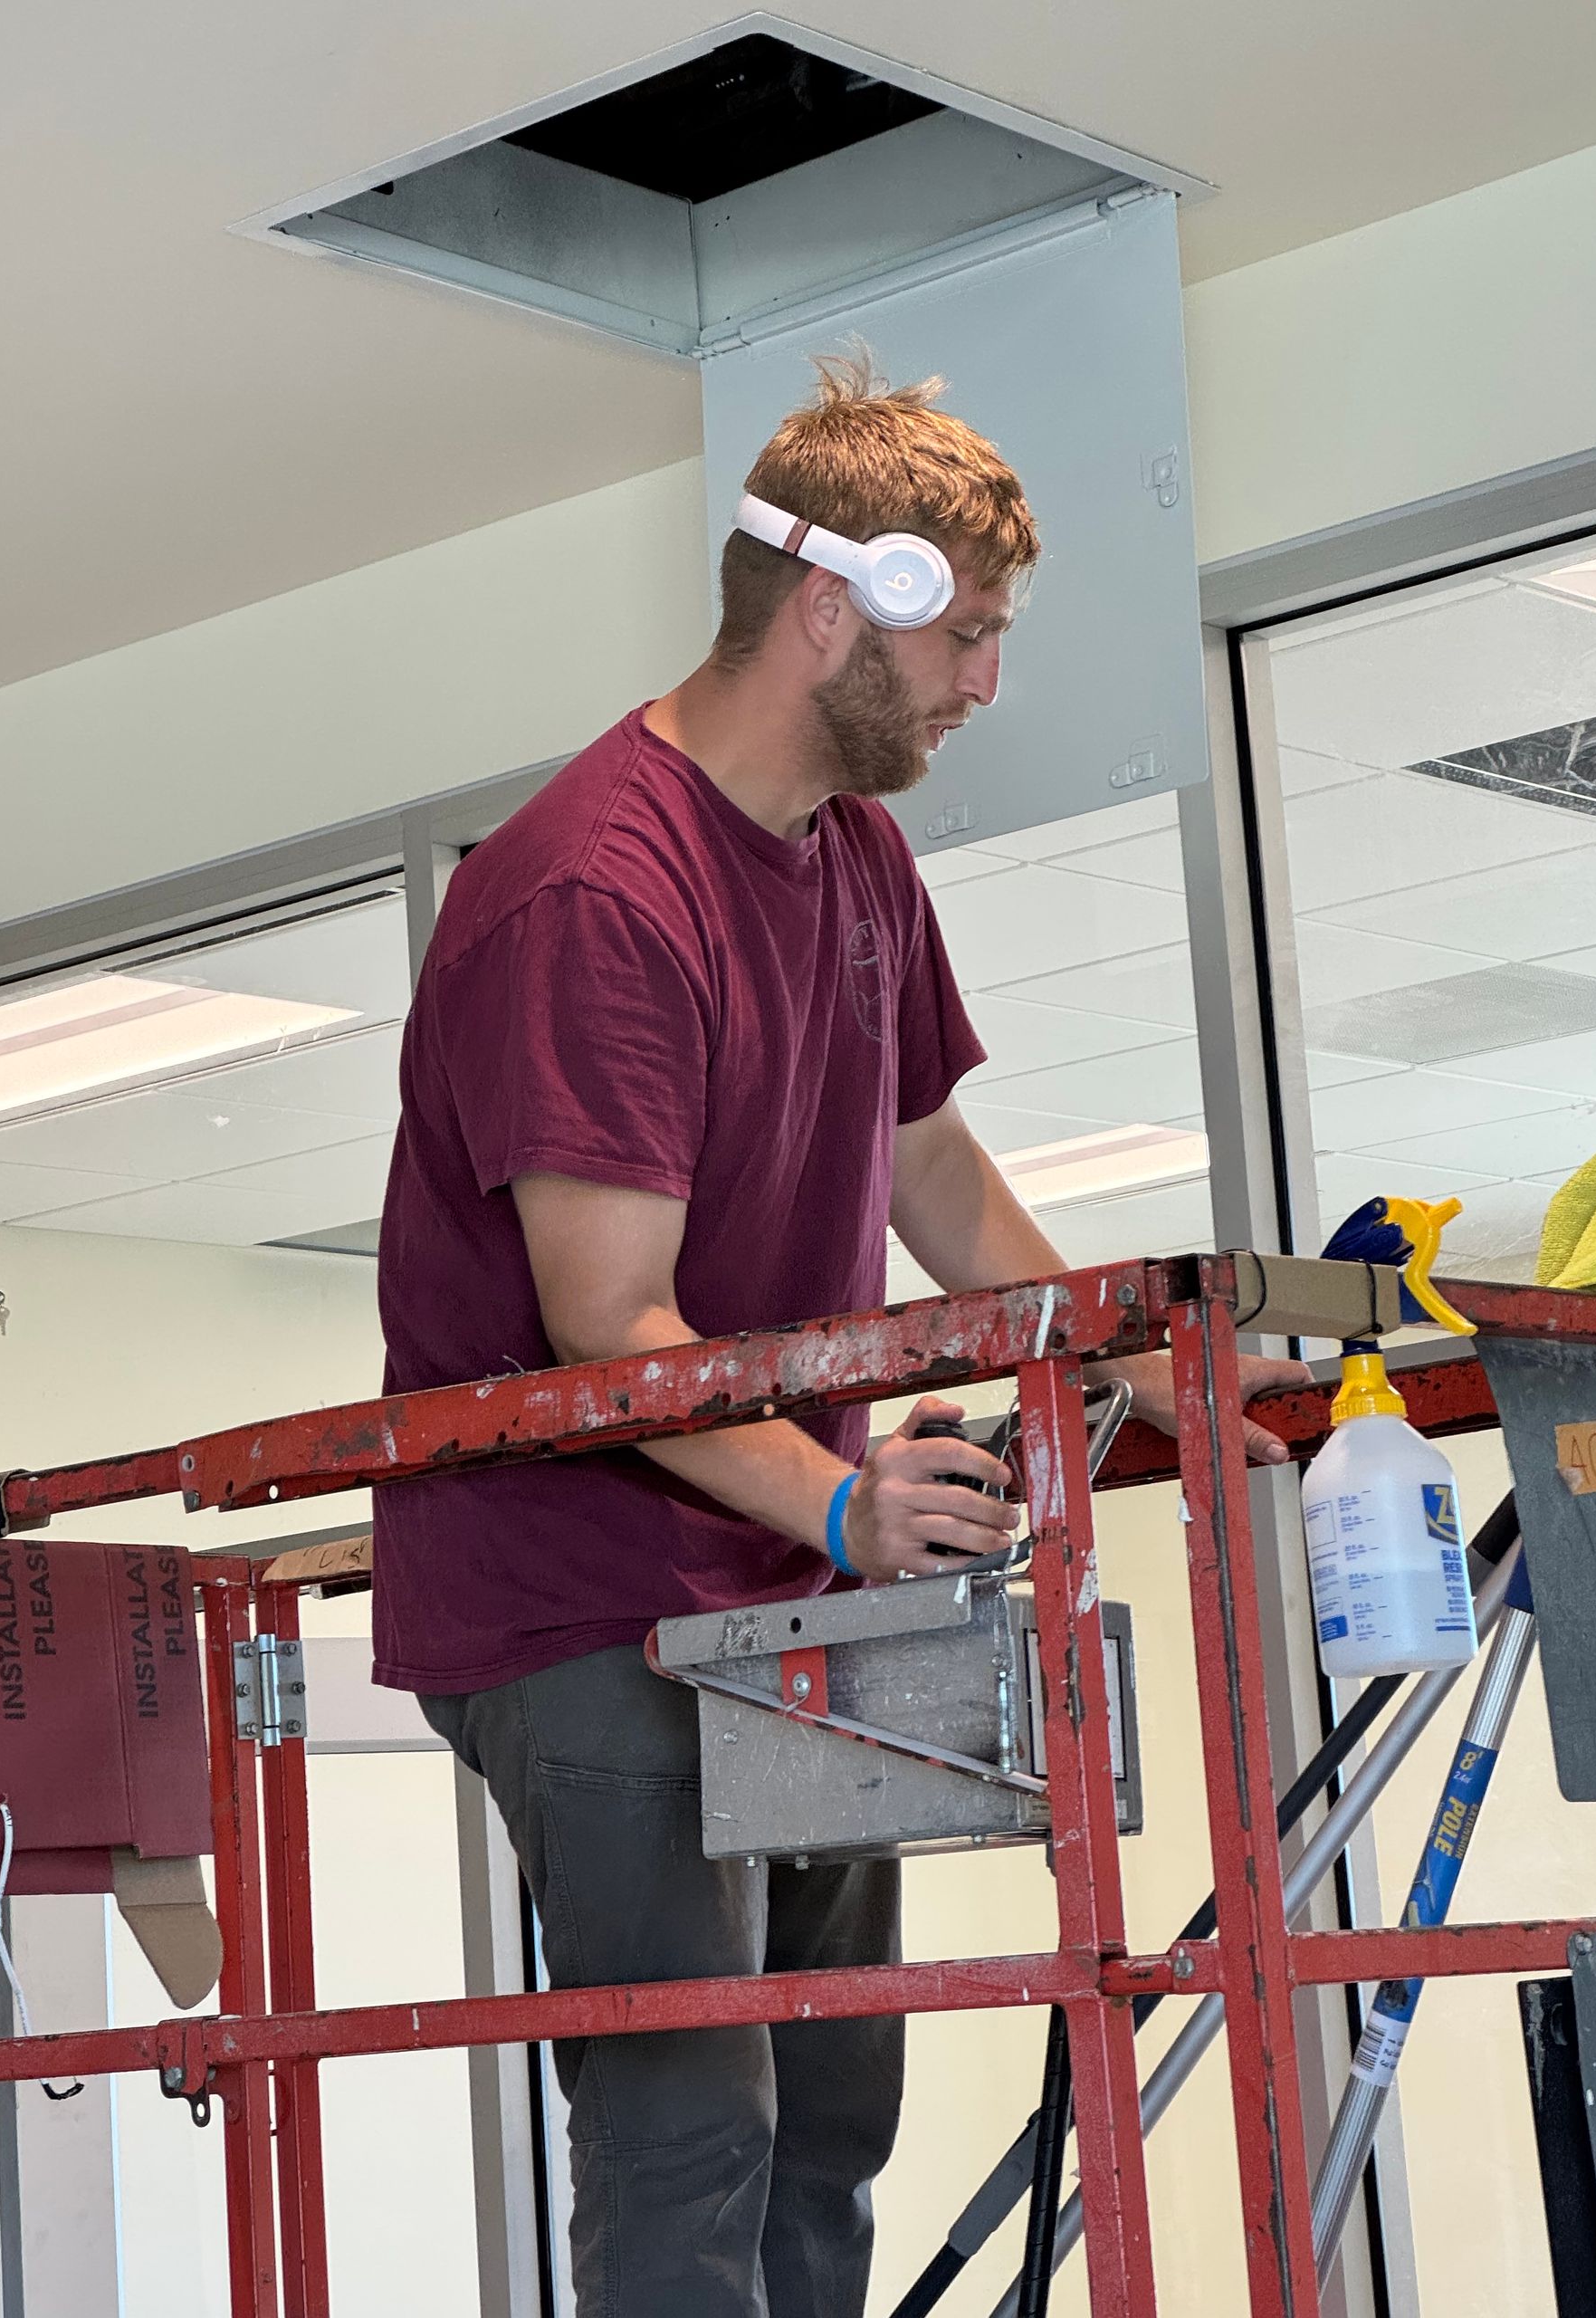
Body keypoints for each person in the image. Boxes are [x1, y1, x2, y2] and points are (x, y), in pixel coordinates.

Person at [372, 356, 1306, 2317]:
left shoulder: (857, 856)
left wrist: (1154, 1364)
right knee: (691, 2113)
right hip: (578, 1595)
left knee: (832, 2099)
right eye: (963, 636)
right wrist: (845, 1509)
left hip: (789, 1567)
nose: (983, 684)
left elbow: (934, 1169)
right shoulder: (593, 894)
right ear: (832, 608)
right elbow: (606, 1321)